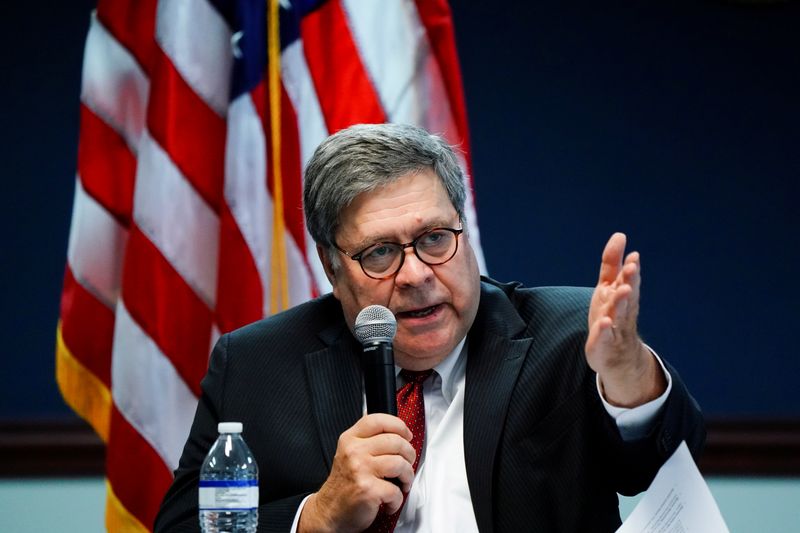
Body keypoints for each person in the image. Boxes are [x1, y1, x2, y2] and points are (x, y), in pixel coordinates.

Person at [154, 123, 705, 532]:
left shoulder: (565, 337)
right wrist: (316, 515)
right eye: (380, 252)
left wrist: (629, 377)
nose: (417, 274)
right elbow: (180, 528)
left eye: (436, 238)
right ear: (331, 267)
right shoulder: (256, 365)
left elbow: (662, 462)